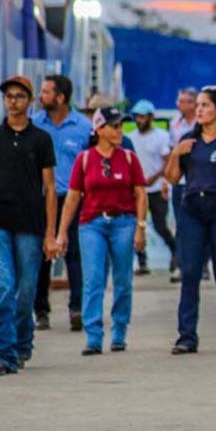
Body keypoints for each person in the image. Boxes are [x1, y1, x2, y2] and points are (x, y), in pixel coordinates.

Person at [0, 76, 57, 376]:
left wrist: (51, 234)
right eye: (9, 96)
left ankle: (22, 344)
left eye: (20, 96)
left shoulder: (42, 139)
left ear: (30, 101)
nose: (14, 101)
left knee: (25, 291)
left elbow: (49, 188)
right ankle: (4, 354)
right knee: (4, 287)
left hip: (31, 225)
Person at [164, 86, 216, 354]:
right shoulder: (188, 141)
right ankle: (186, 336)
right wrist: (176, 154)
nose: (199, 109)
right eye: (197, 105)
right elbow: (172, 178)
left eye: (205, 105)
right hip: (191, 208)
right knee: (189, 272)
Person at [57, 107, 147, 355]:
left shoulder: (129, 157)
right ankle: (93, 335)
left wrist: (140, 227)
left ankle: (119, 331)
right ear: (99, 129)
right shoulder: (84, 159)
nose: (120, 131)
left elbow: (140, 193)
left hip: (123, 223)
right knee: (94, 279)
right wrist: (62, 232)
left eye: (121, 126)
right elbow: (73, 197)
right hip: (92, 224)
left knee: (122, 280)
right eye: (115, 126)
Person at [32, 74, 91, 331]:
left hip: (73, 199)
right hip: (41, 199)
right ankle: (41, 310)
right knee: (41, 255)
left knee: (75, 254)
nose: (40, 97)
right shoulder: (34, 124)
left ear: (60, 97)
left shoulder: (84, 127)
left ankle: (76, 308)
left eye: (46, 92)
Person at [128, 100, 178, 281]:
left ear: (150, 117)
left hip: (156, 188)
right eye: (137, 117)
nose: (139, 120)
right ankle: (142, 261)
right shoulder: (131, 137)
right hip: (136, 189)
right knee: (135, 225)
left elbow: (167, 161)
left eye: (143, 116)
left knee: (159, 225)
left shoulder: (162, 136)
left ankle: (175, 253)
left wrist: (154, 178)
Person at [170, 87, 210, 281]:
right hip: (179, 182)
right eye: (179, 101)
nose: (181, 104)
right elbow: (172, 154)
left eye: (186, 101)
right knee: (181, 226)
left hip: (200, 183)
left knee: (203, 226)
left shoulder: (203, 124)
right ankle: (182, 265)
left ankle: (203, 265)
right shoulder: (174, 125)